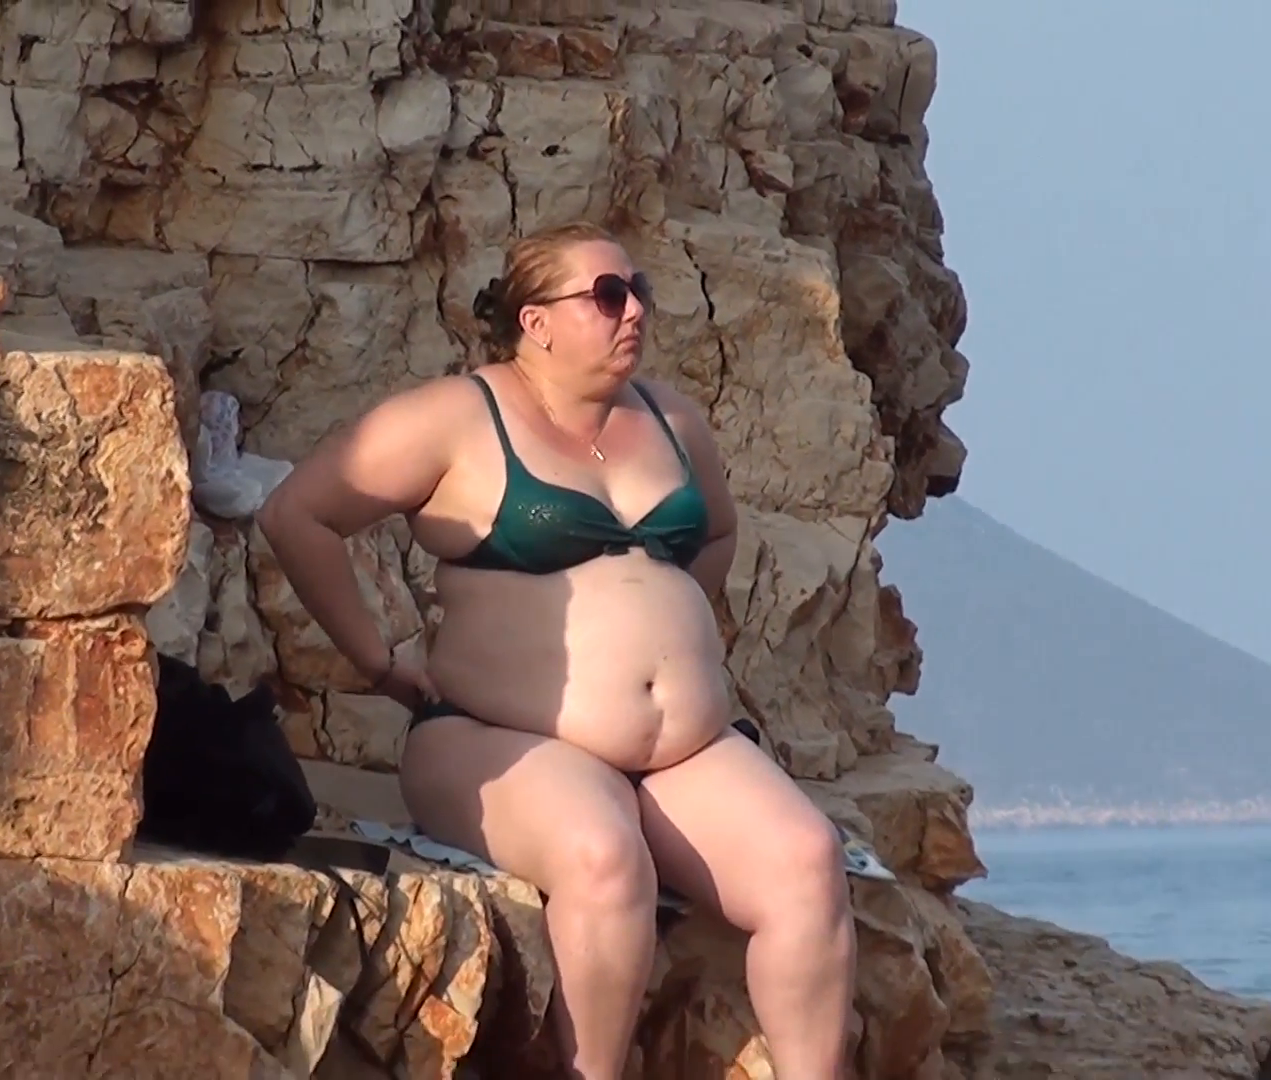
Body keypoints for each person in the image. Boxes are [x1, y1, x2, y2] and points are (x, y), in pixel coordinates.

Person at [255, 221, 856, 1079]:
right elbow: (299, 515)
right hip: (495, 737)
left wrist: (668, 637)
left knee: (806, 858)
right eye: (607, 295)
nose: (634, 311)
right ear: (536, 321)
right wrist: (380, 660)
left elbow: (717, 532)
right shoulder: (458, 417)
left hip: (680, 752)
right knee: (602, 856)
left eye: (638, 289)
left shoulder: (671, 418)